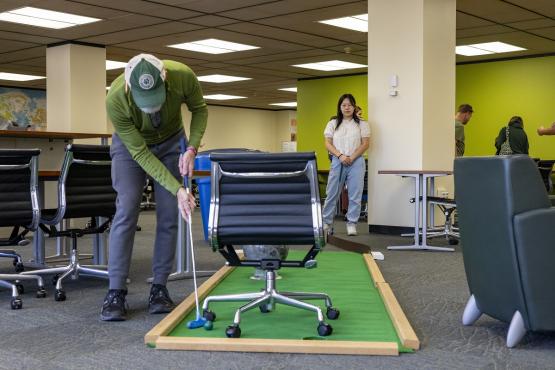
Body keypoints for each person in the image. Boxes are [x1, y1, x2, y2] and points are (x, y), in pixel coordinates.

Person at [101, 54, 207, 321]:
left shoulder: (183, 75)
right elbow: (141, 155)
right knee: (127, 208)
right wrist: (178, 188)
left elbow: (200, 109)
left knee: (170, 215)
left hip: (172, 142)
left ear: (165, 80)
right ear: (129, 87)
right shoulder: (115, 99)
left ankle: (159, 288)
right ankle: (115, 291)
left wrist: (192, 147)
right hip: (132, 149)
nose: (154, 108)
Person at [322, 94, 370, 236]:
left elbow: (365, 143)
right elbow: (327, 143)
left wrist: (352, 157)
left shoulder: (362, 124)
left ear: (354, 107)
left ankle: (352, 223)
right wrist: (340, 156)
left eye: (349, 105)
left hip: (357, 160)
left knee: (355, 193)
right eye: (344, 105)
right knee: (332, 192)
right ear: (340, 107)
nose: (347, 108)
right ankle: (327, 222)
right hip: (338, 160)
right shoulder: (333, 123)